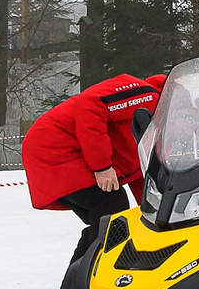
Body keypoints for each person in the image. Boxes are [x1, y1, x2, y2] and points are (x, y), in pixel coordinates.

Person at [21, 70, 166, 260]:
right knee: (110, 206)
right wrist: (102, 167)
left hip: (65, 151)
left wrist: (158, 216)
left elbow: (141, 172)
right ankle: (98, 270)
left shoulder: (158, 120)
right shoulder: (147, 96)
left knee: (106, 219)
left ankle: (80, 274)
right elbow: (89, 103)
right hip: (54, 147)